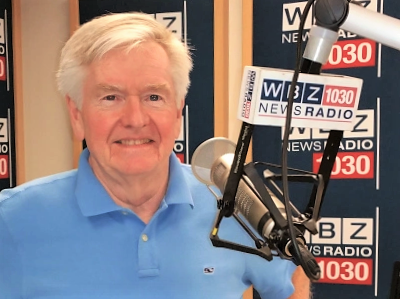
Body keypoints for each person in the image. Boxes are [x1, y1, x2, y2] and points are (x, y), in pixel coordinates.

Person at [0, 12, 310, 298]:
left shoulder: (238, 204)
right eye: (110, 97)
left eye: (153, 96)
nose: (135, 119)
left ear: (177, 112)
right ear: (77, 114)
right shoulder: (11, 221)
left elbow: (291, 278)